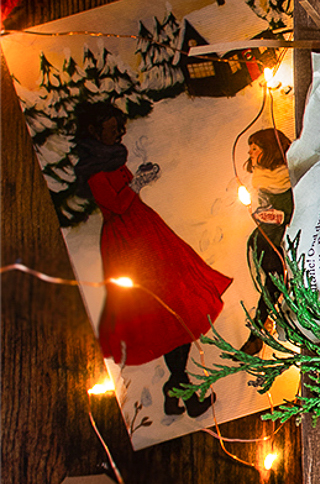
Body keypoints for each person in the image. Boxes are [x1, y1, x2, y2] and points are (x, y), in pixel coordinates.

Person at [71, 100, 231, 418]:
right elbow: (116, 205)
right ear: (93, 131)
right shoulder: (91, 170)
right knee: (163, 313)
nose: (119, 134)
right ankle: (180, 392)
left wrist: (140, 179)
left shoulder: (115, 156)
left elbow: (129, 194)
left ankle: (175, 393)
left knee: (178, 303)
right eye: (112, 129)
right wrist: (137, 183)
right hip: (128, 244)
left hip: (146, 231)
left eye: (120, 128)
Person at [237, 126, 293, 356]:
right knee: (271, 283)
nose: (251, 153)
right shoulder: (260, 178)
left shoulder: (288, 175)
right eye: (250, 149)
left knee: (275, 283)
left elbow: (286, 210)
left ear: (269, 149)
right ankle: (260, 330)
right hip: (266, 240)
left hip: (285, 240)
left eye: (255, 148)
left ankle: (260, 331)